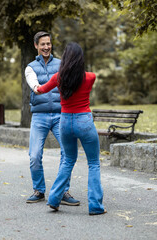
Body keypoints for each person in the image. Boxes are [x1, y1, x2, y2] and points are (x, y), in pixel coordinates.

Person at [37, 42, 106, 215]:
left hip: (65, 121)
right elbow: (84, 79)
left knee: (68, 160)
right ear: (80, 59)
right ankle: (96, 206)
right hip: (84, 121)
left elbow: (41, 90)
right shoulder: (90, 77)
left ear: (65, 58)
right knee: (94, 163)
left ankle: (53, 199)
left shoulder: (58, 78)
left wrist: (34, 86)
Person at [24, 31, 80, 206]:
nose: (46, 47)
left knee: (67, 152)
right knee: (34, 155)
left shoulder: (62, 64)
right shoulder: (30, 67)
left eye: (48, 44)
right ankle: (39, 190)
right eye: (43, 44)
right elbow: (35, 86)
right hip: (39, 116)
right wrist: (38, 87)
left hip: (60, 115)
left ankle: (63, 191)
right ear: (36, 46)